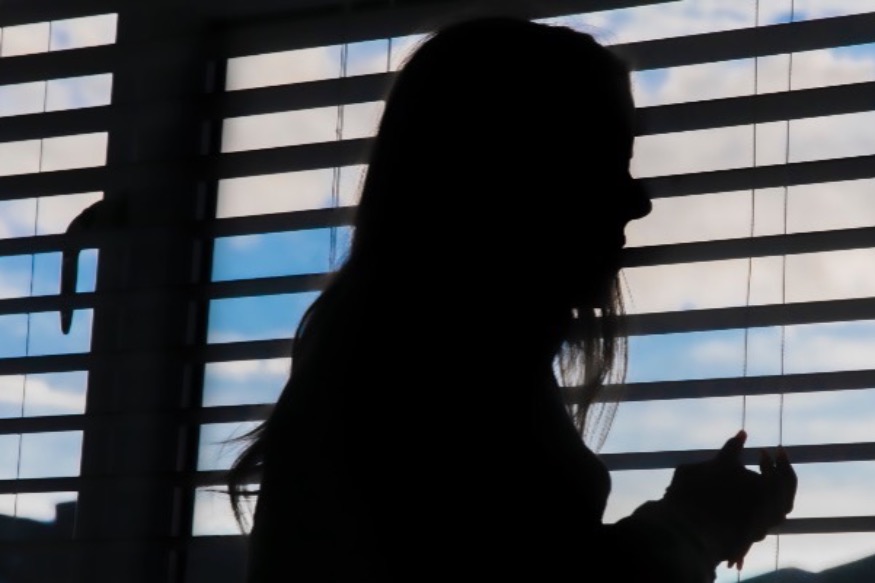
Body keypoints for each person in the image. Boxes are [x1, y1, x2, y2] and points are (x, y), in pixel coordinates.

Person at [227, 16, 797, 582]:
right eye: (605, 163)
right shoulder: (429, 382)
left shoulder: (391, 363)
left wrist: (691, 526)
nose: (638, 202)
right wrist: (693, 526)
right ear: (512, 177)